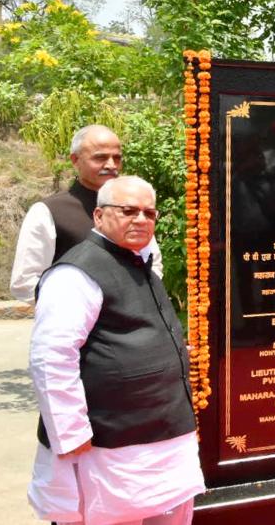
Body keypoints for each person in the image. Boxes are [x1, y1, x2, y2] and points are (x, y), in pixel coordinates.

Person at [27, 175, 204, 524]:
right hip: (108, 446)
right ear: (98, 216)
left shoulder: (142, 259)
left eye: (149, 213)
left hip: (163, 438)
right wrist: (70, 432)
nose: (141, 219)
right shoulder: (76, 273)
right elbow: (51, 357)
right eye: (128, 211)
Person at [10, 124, 162, 303]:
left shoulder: (136, 207)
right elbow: (25, 282)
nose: (111, 165)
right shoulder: (49, 212)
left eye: (117, 158)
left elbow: (154, 264)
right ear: (75, 160)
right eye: (100, 158)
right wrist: (86, 305)